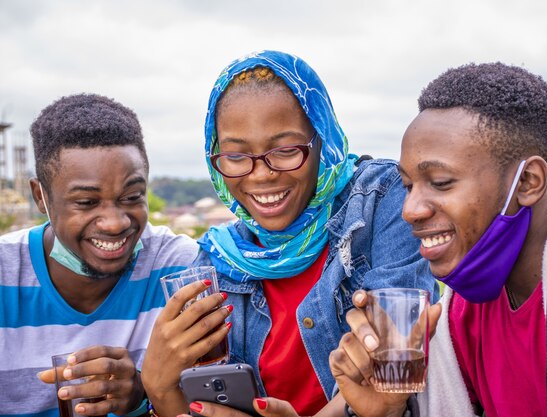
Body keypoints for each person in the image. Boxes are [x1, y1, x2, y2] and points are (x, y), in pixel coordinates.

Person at [141, 50, 437, 417]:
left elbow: (395, 369)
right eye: (236, 156)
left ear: (321, 140)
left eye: (284, 150)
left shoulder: (381, 199)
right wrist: (158, 387)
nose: (262, 174)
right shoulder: (217, 261)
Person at [330, 62, 547, 417]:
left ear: (528, 181)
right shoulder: (460, 311)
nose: (410, 210)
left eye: (440, 182)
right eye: (409, 186)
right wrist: (389, 411)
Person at [0, 94, 199, 417]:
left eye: (132, 196)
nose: (115, 222)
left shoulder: (179, 269)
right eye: (87, 203)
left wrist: (140, 397)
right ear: (41, 197)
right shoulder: (4, 272)